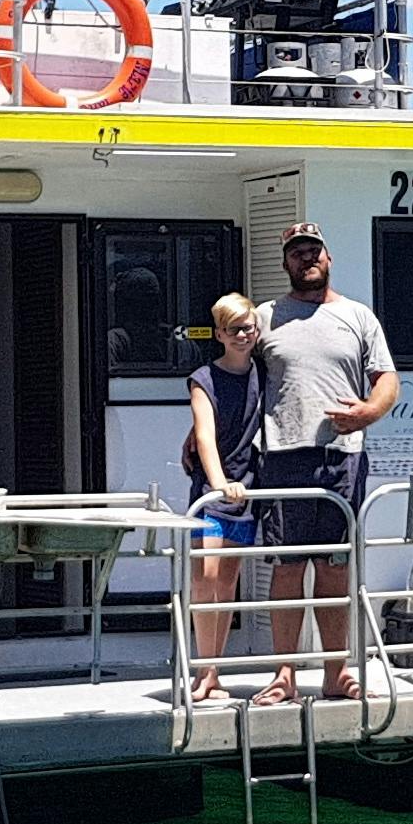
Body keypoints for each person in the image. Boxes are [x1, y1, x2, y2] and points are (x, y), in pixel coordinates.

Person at [248, 225, 398, 701]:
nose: (306, 260)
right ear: (285, 263)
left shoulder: (358, 316)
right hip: (282, 457)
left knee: (334, 568)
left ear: (328, 258)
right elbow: (232, 372)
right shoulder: (265, 317)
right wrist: (201, 424)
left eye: (313, 252)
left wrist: (370, 412)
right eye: (296, 254)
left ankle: (337, 673)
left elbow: (387, 378)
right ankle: (284, 676)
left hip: (342, 459)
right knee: (288, 569)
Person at [180, 293, 265, 701]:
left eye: (248, 327)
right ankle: (202, 670)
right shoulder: (203, 379)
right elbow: (204, 436)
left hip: (248, 486)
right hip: (213, 492)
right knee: (205, 578)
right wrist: (218, 482)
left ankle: (215, 671)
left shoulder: (264, 374)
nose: (243, 335)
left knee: (228, 582)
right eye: (234, 330)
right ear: (219, 335)